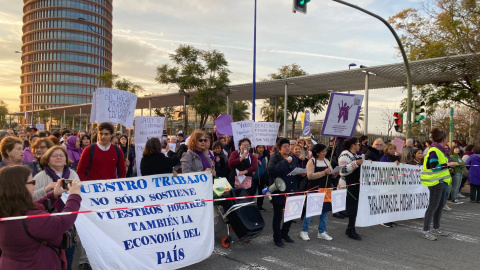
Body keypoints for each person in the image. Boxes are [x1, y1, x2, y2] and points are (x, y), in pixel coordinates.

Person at [0, 165, 82, 270]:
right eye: (32, 182)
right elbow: (62, 222)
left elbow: (30, 207)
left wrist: (53, 195)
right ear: (20, 186)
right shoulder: (30, 218)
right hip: (36, 264)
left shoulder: (7, 209)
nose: (34, 185)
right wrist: (74, 196)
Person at [420, 128, 458, 240]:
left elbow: (439, 166)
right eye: (447, 139)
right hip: (435, 182)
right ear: (444, 139)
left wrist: (448, 167)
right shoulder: (434, 151)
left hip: (440, 182)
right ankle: (426, 230)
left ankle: (436, 228)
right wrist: (448, 164)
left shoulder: (439, 150)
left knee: (440, 205)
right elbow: (434, 167)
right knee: (433, 206)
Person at [300, 144, 335, 241]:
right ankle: (304, 231)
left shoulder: (327, 161)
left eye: (325, 151)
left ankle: (322, 231)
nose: (325, 153)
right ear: (317, 152)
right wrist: (324, 172)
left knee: (325, 211)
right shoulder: (311, 161)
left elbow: (330, 173)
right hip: (315, 188)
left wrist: (334, 173)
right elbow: (310, 176)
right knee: (311, 210)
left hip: (326, 188)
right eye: (323, 151)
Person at [267, 138, 299, 247]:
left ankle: (285, 233)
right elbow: (271, 171)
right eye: (284, 146)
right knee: (278, 216)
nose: (287, 148)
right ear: (279, 149)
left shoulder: (293, 158)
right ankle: (277, 237)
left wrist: (301, 173)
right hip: (279, 191)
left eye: (288, 146)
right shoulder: (275, 158)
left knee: (290, 214)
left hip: (291, 190)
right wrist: (285, 162)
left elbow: (296, 170)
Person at [338, 137, 363, 240]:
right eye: (358, 144)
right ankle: (351, 229)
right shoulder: (345, 155)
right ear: (353, 145)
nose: (359, 146)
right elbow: (342, 170)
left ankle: (350, 228)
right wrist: (356, 164)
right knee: (352, 208)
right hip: (348, 184)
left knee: (354, 207)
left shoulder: (355, 155)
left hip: (355, 183)